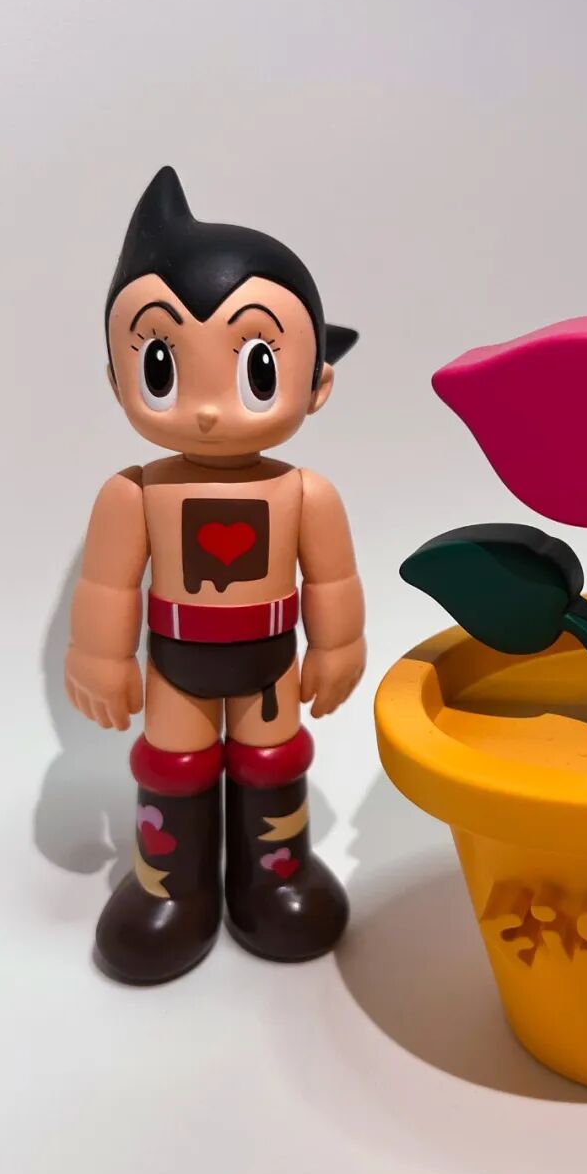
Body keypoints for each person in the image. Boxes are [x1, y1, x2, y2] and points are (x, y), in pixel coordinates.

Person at [66, 167, 365, 984]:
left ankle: (274, 878)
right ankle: (174, 887)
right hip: (176, 661)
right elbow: (107, 586)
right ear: (117, 377)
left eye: (257, 367)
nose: (205, 408)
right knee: (174, 763)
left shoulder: (305, 494)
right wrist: (98, 655)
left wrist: (338, 645)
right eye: (161, 363)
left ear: (317, 383)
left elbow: (332, 583)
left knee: (273, 758)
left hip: (270, 659)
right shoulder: (134, 494)